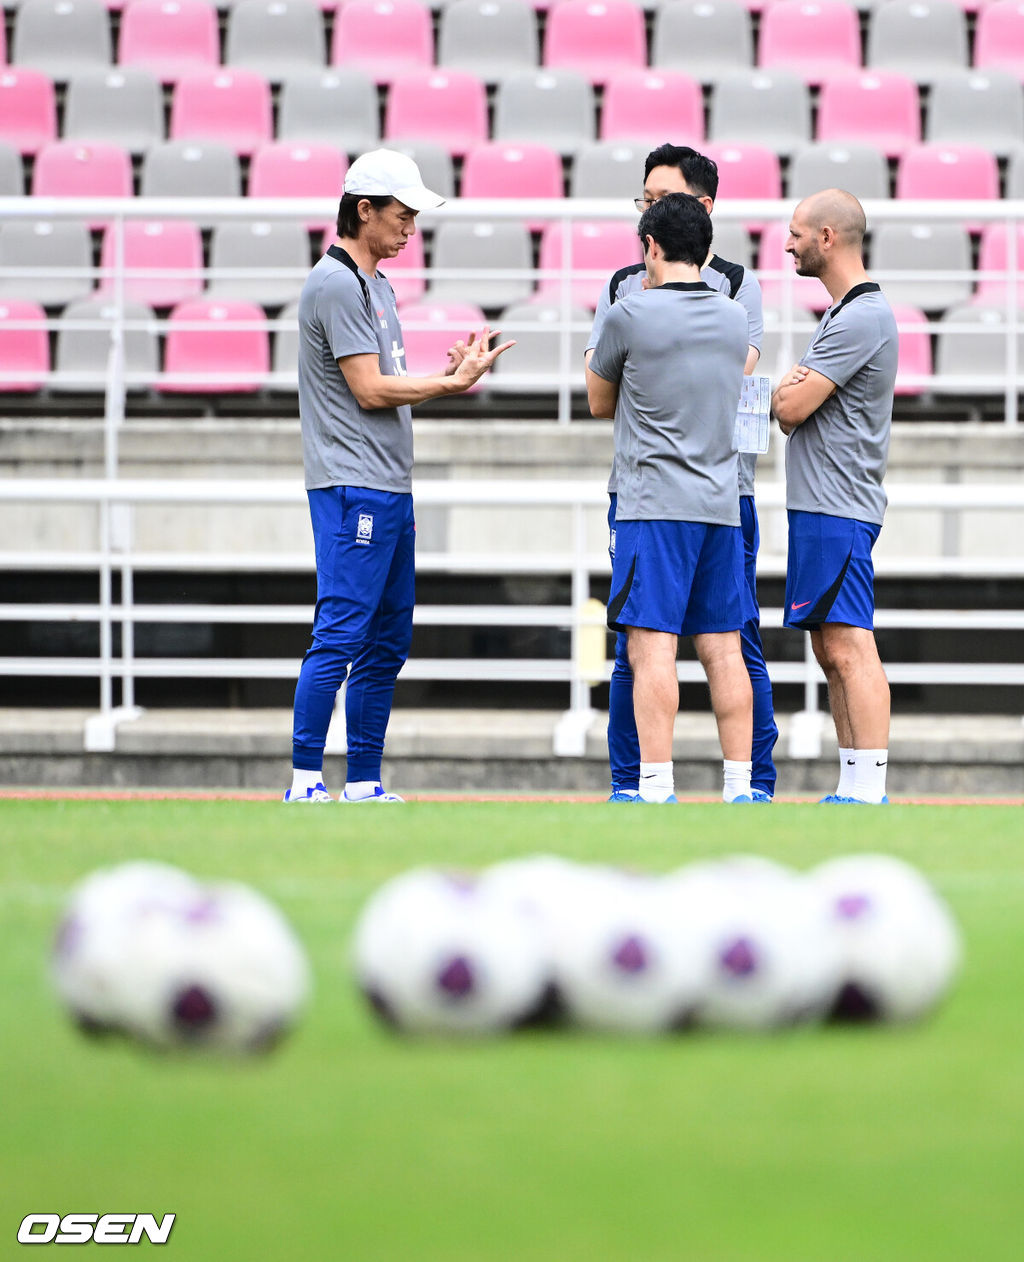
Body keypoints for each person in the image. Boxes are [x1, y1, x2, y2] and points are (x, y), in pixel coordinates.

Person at [284, 149, 514, 803]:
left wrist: (441, 376)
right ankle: (305, 778)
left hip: (386, 483)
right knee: (342, 631)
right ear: (364, 211)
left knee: (385, 639)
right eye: (402, 214)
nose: (410, 228)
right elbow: (369, 390)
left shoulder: (375, 284)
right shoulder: (335, 284)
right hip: (354, 483)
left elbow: (383, 382)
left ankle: (361, 780)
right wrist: (449, 382)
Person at [585, 143, 778, 803]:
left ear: (649, 245)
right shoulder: (732, 315)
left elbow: (599, 399)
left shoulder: (628, 310)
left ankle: (655, 784)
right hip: (721, 500)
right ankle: (741, 785)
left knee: (651, 649)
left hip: (650, 499)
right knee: (726, 646)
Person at [770, 189, 898, 805]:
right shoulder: (844, 316)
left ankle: (869, 788)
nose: (787, 243)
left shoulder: (860, 318)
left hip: (838, 506)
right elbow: (793, 404)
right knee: (829, 645)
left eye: (796, 232)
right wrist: (790, 390)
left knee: (849, 642)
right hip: (824, 505)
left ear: (827, 237)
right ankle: (852, 784)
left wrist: (785, 391)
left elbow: (790, 406)